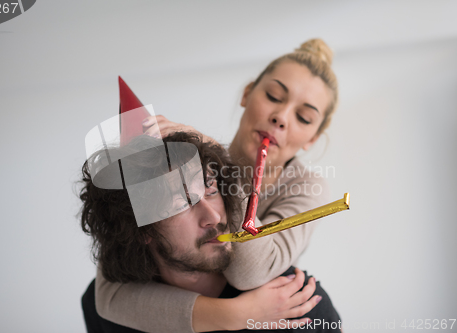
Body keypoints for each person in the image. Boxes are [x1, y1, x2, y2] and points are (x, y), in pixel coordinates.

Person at [95, 38, 340, 332]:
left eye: (303, 117)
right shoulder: (187, 158)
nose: (281, 117)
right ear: (247, 93)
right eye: (274, 96)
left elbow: (251, 272)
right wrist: (235, 314)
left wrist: (221, 165)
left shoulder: (305, 187)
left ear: (312, 138)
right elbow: (109, 295)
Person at [80, 132, 341, 332]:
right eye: (182, 203)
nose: (214, 216)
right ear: (140, 230)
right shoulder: (105, 308)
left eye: (211, 189)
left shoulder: (298, 305)